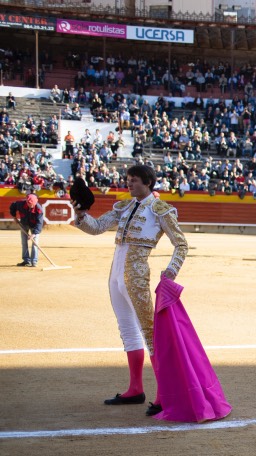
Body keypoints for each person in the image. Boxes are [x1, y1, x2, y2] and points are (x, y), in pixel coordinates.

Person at [74, 165, 188, 416]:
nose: (129, 184)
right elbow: (97, 227)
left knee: (150, 333)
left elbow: (181, 244)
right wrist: (81, 213)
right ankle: (135, 388)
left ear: (148, 182)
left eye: (134, 181)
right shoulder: (123, 206)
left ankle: (163, 394)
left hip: (136, 275)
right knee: (127, 330)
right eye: (128, 180)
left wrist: (171, 270)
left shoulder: (161, 209)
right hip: (115, 274)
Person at [9, 194, 43, 267]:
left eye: (32, 204)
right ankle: (26, 261)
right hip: (24, 224)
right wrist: (14, 216)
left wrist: (34, 234)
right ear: (27, 202)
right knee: (24, 242)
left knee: (35, 243)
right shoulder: (20, 204)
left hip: (34, 226)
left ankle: (34, 261)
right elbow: (12, 206)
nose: (31, 206)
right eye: (29, 204)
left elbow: (39, 223)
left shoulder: (39, 209)